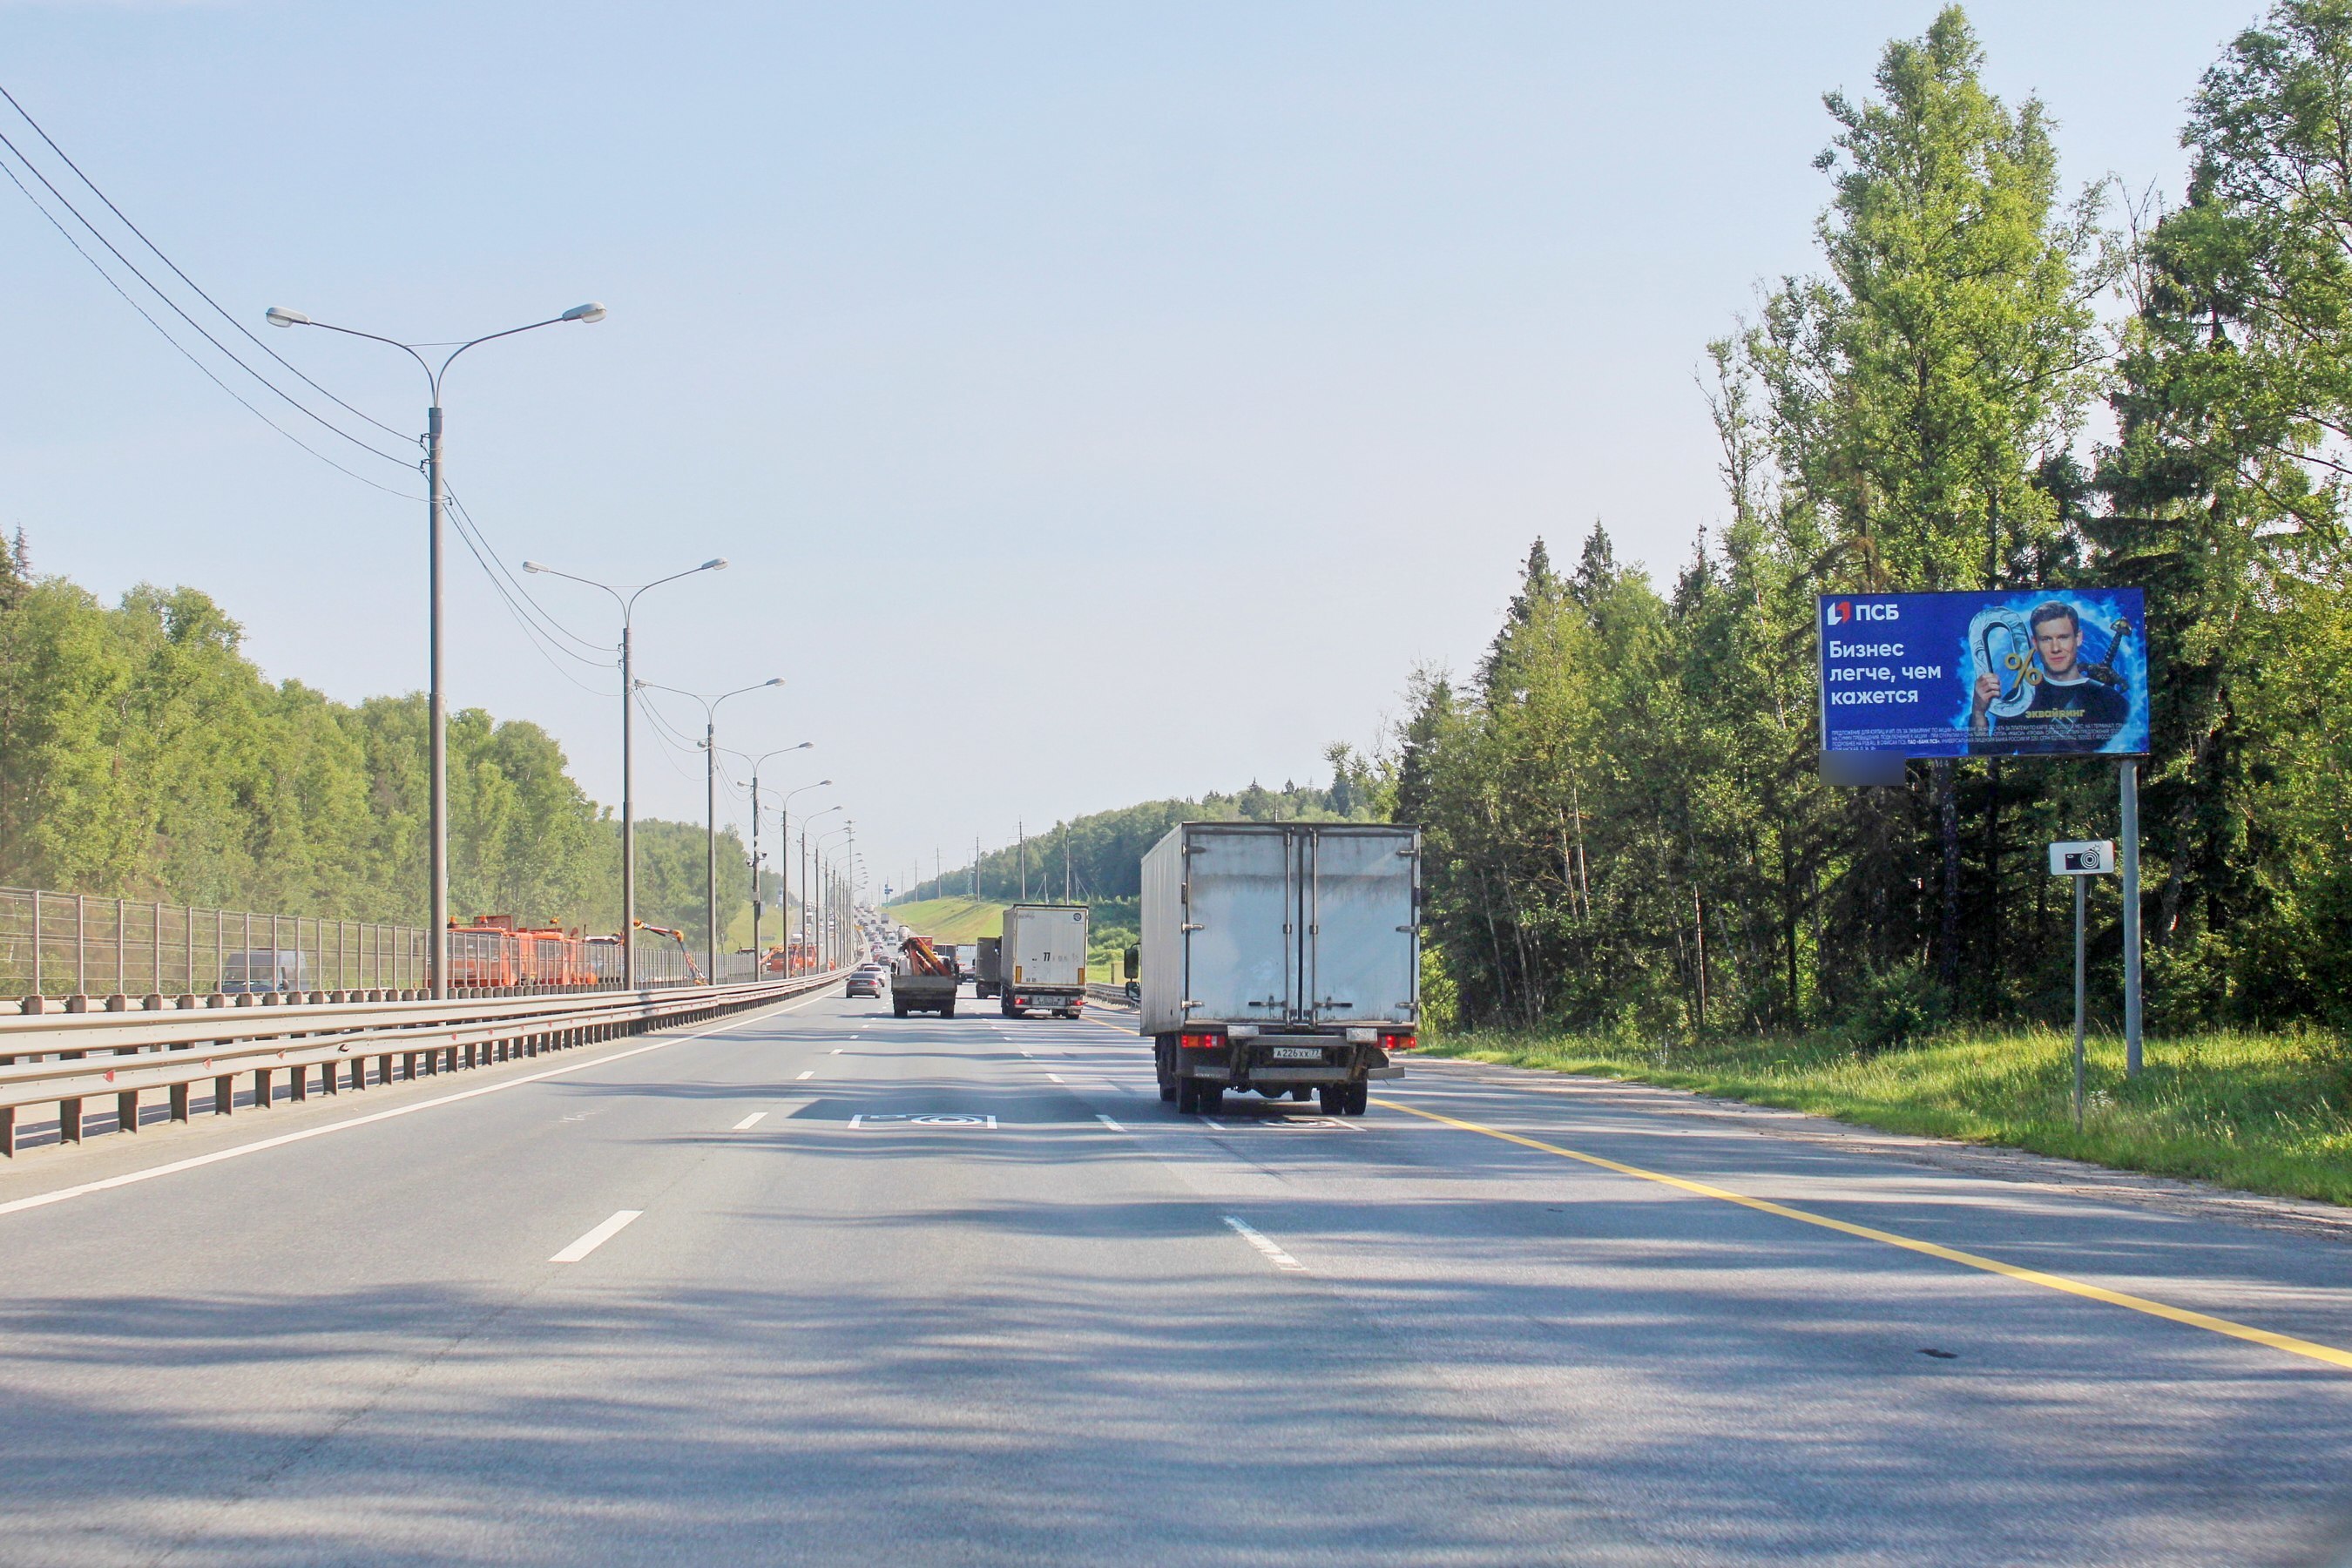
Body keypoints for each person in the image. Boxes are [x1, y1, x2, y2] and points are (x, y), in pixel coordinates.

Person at [1970, 601, 2128, 754]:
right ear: (2035, 643)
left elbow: (2127, 744)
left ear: (2078, 638)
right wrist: (1978, 712)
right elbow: (1986, 756)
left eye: (2063, 637)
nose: (2055, 648)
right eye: (2046, 639)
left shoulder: (2112, 702)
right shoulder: (2018, 700)